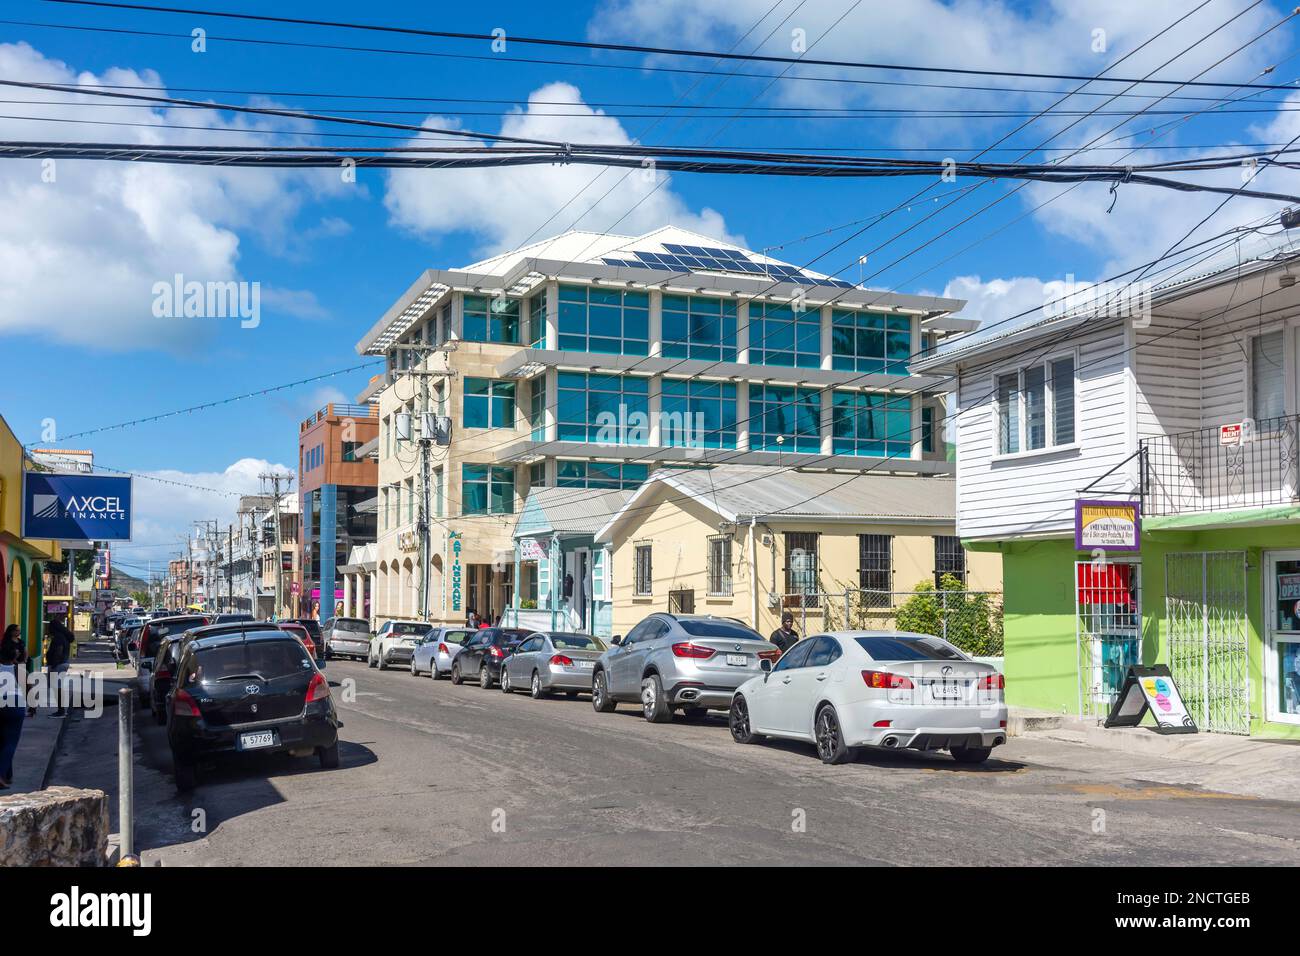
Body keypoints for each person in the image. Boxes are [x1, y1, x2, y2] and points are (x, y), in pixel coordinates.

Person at [0, 624, 27, 788]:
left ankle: (7, 775)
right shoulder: (18, 669)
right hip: (14, 705)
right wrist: (32, 707)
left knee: (2, 740)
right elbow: (29, 688)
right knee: (10, 741)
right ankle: (2, 774)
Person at [44, 615, 74, 718]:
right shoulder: (64, 636)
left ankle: (60, 711)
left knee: (57, 688)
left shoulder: (58, 638)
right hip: (63, 664)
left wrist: (53, 665)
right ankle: (61, 710)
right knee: (58, 688)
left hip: (58, 665)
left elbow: (58, 652)